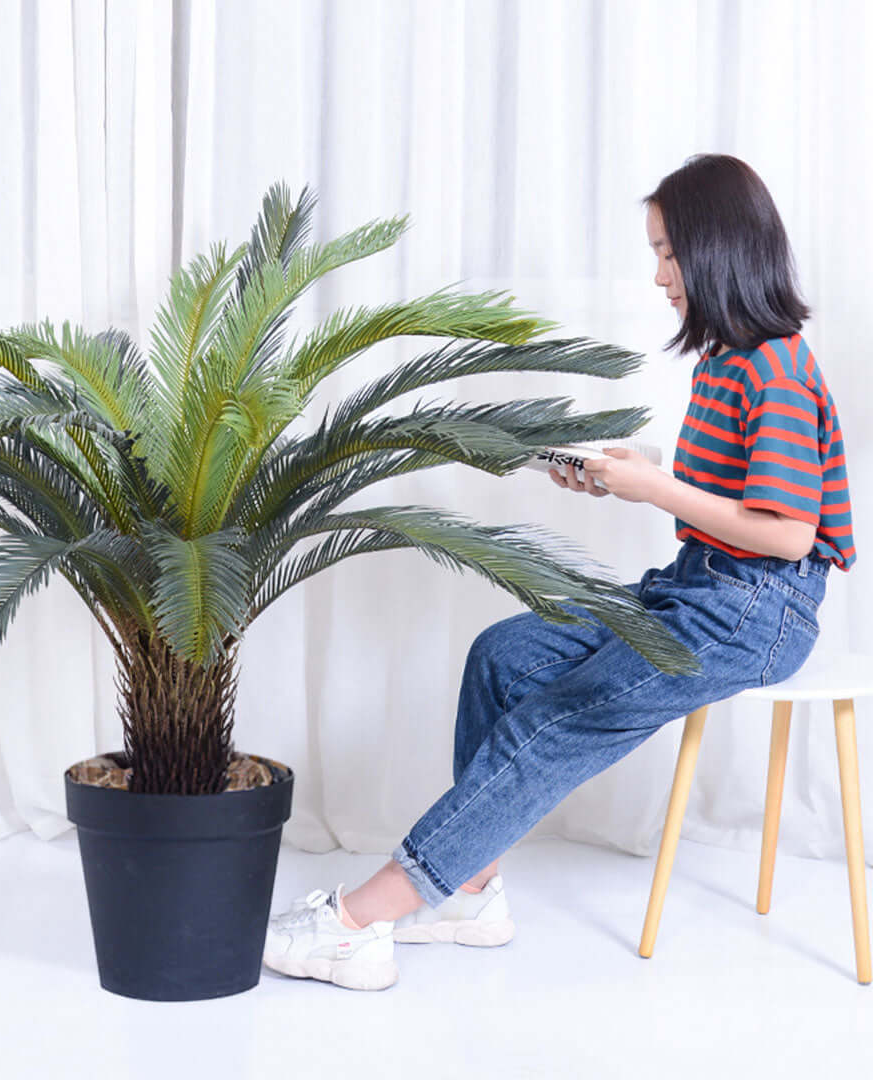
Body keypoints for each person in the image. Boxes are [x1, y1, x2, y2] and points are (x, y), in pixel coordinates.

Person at [262, 154, 856, 991]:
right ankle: (468, 891)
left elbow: (790, 534)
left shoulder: (777, 368)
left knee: (553, 723)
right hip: (701, 584)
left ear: (716, 247)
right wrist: (633, 469)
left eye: (667, 253)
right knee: (503, 656)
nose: (658, 276)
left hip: (756, 612)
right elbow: (732, 494)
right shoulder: (729, 360)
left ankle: (361, 920)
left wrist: (656, 490)